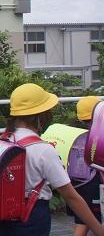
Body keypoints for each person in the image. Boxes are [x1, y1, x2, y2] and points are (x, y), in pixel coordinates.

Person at [0, 83, 104, 236]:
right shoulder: (43, 150)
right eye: (48, 110)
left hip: (4, 218)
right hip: (32, 218)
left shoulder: (5, 139)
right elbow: (71, 196)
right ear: (39, 116)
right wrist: (99, 230)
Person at [67, 96, 102, 236]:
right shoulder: (98, 135)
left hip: (76, 183)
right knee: (88, 221)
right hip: (93, 183)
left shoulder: (74, 134)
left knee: (82, 220)